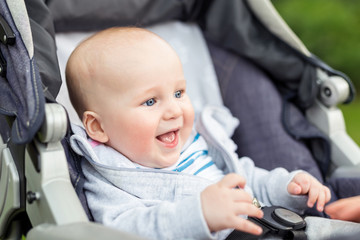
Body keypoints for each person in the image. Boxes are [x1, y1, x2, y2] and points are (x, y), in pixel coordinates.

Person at [66, 27, 331, 239]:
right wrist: (198, 215)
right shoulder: (109, 177)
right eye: (150, 101)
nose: (174, 111)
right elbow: (124, 229)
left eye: (179, 93)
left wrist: (288, 189)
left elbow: (244, 180)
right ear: (98, 127)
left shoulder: (195, 143)